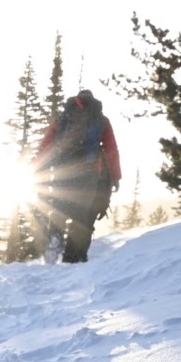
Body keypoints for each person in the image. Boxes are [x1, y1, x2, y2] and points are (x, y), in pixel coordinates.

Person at [32, 89, 122, 263]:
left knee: (59, 205)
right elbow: (111, 150)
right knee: (82, 213)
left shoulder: (63, 118)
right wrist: (116, 176)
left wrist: (37, 168)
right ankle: (74, 257)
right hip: (88, 171)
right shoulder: (102, 120)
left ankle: (55, 237)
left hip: (62, 169)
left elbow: (46, 145)